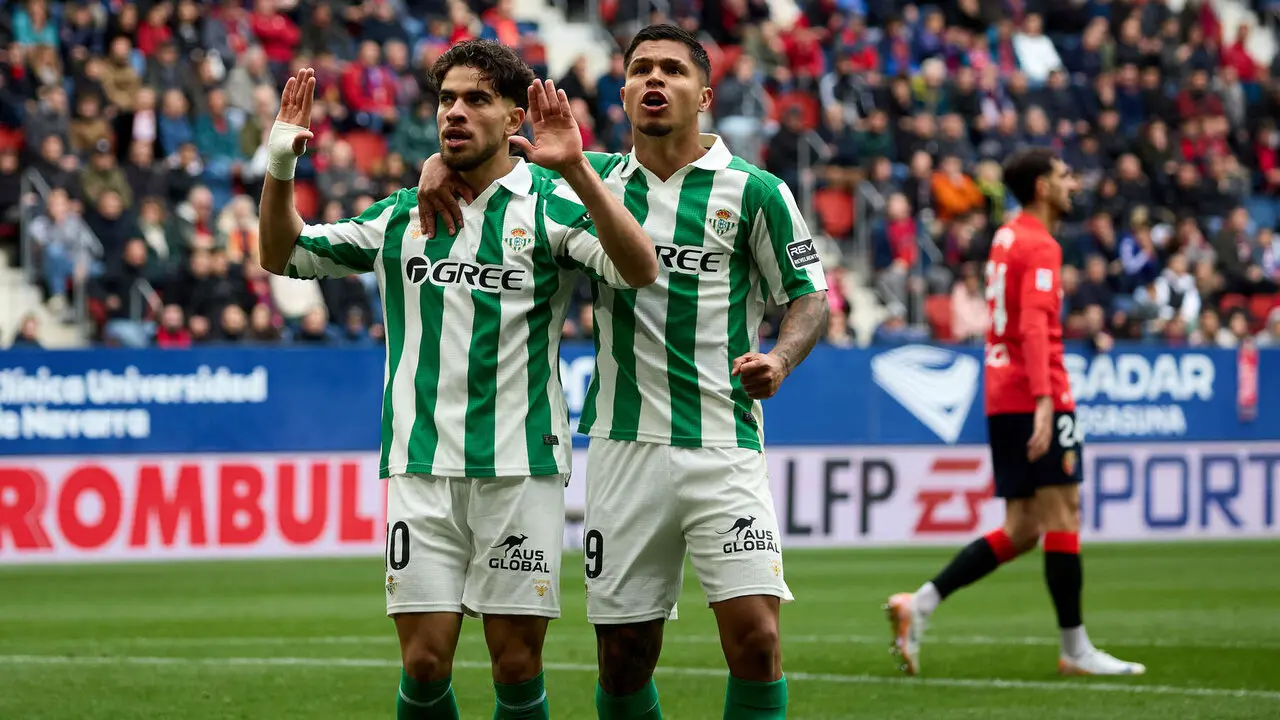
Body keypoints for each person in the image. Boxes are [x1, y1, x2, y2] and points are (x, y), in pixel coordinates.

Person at [417, 24, 830, 720]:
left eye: (671, 70)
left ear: (703, 94)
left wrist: (782, 357)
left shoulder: (754, 191)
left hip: (724, 442)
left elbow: (810, 296)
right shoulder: (584, 174)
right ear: (625, 88)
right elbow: (481, 159)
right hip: (622, 447)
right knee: (624, 657)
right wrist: (439, 166)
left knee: (757, 641)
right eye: (641, 69)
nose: (654, 80)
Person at [257, 41, 657, 720]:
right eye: (447, 99)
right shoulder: (400, 217)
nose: (456, 112)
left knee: (516, 664)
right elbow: (282, 253)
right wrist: (278, 166)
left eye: (477, 99)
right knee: (423, 661)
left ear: (512, 118)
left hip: (521, 467)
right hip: (422, 464)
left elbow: (639, 268)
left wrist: (578, 170)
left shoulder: (552, 209)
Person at [885, 147, 1146, 677]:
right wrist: (1048, 402)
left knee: (1024, 525)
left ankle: (921, 604)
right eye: (1065, 174)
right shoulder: (1039, 243)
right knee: (1063, 514)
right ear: (1043, 188)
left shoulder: (1005, 237)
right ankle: (1076, 650)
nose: (1073, 183)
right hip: (1034, 391)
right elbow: (1032, 325)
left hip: (1002, 390)